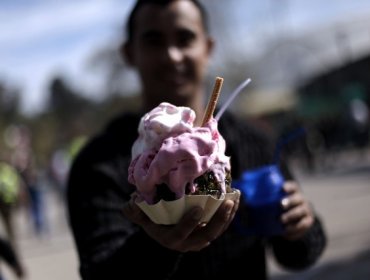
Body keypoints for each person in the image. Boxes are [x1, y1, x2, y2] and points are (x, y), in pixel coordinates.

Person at [67, 1, 327, 279]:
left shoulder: (254, 143)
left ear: (208, 48)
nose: (172, 56)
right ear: (130, 54)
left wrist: (300, 228)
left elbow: (299, 255)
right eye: (154, 41)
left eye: (185, 38)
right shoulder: (98, 165)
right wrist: (157, 247)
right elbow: (98, 271)